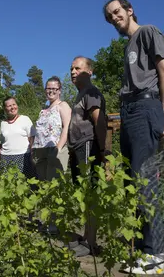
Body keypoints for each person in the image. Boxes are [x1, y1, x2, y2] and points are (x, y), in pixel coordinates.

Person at [103, 0, 164, 274]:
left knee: (146, 182)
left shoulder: (148, 32)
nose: (114, 18)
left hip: (146, 107)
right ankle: (145, 252)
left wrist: (161, 114)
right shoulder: (128, 45)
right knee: (134, 182)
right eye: (110, 17)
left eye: (117, 12)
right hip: (129, 112)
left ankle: (157, 256)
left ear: (130, 10)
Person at [67, 56, 108, 257]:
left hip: (88, 147)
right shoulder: (81, 94)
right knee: (84, 195)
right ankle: (85, 238)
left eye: (77, 68)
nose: (73, 72)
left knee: (90, 195)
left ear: (89, 71)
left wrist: (103, 153)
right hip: (78, 149)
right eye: (71, 69)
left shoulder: (91, 93)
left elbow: (99, 122)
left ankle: (91, 243)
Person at [32, 76, 71, 181]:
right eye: (48, 88)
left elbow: (67, 127)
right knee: (42, 183)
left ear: (59, 91)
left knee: (55, 182)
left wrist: (58, 148)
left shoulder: (63, 106)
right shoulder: (44, 110)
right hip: (40, 151)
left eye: (54, 89)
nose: (51, 91)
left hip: (56, 148)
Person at [0, 96, 36, 179]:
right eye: (9, 106)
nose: (12, 107)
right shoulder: (3, 123)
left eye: (14, 104)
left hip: (23, 157)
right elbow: (0, 144)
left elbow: (32, 139)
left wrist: (32, 156)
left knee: (25, 185)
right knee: (7, 186)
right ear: (5, 109)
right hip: (5, 158)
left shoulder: (25, 119)